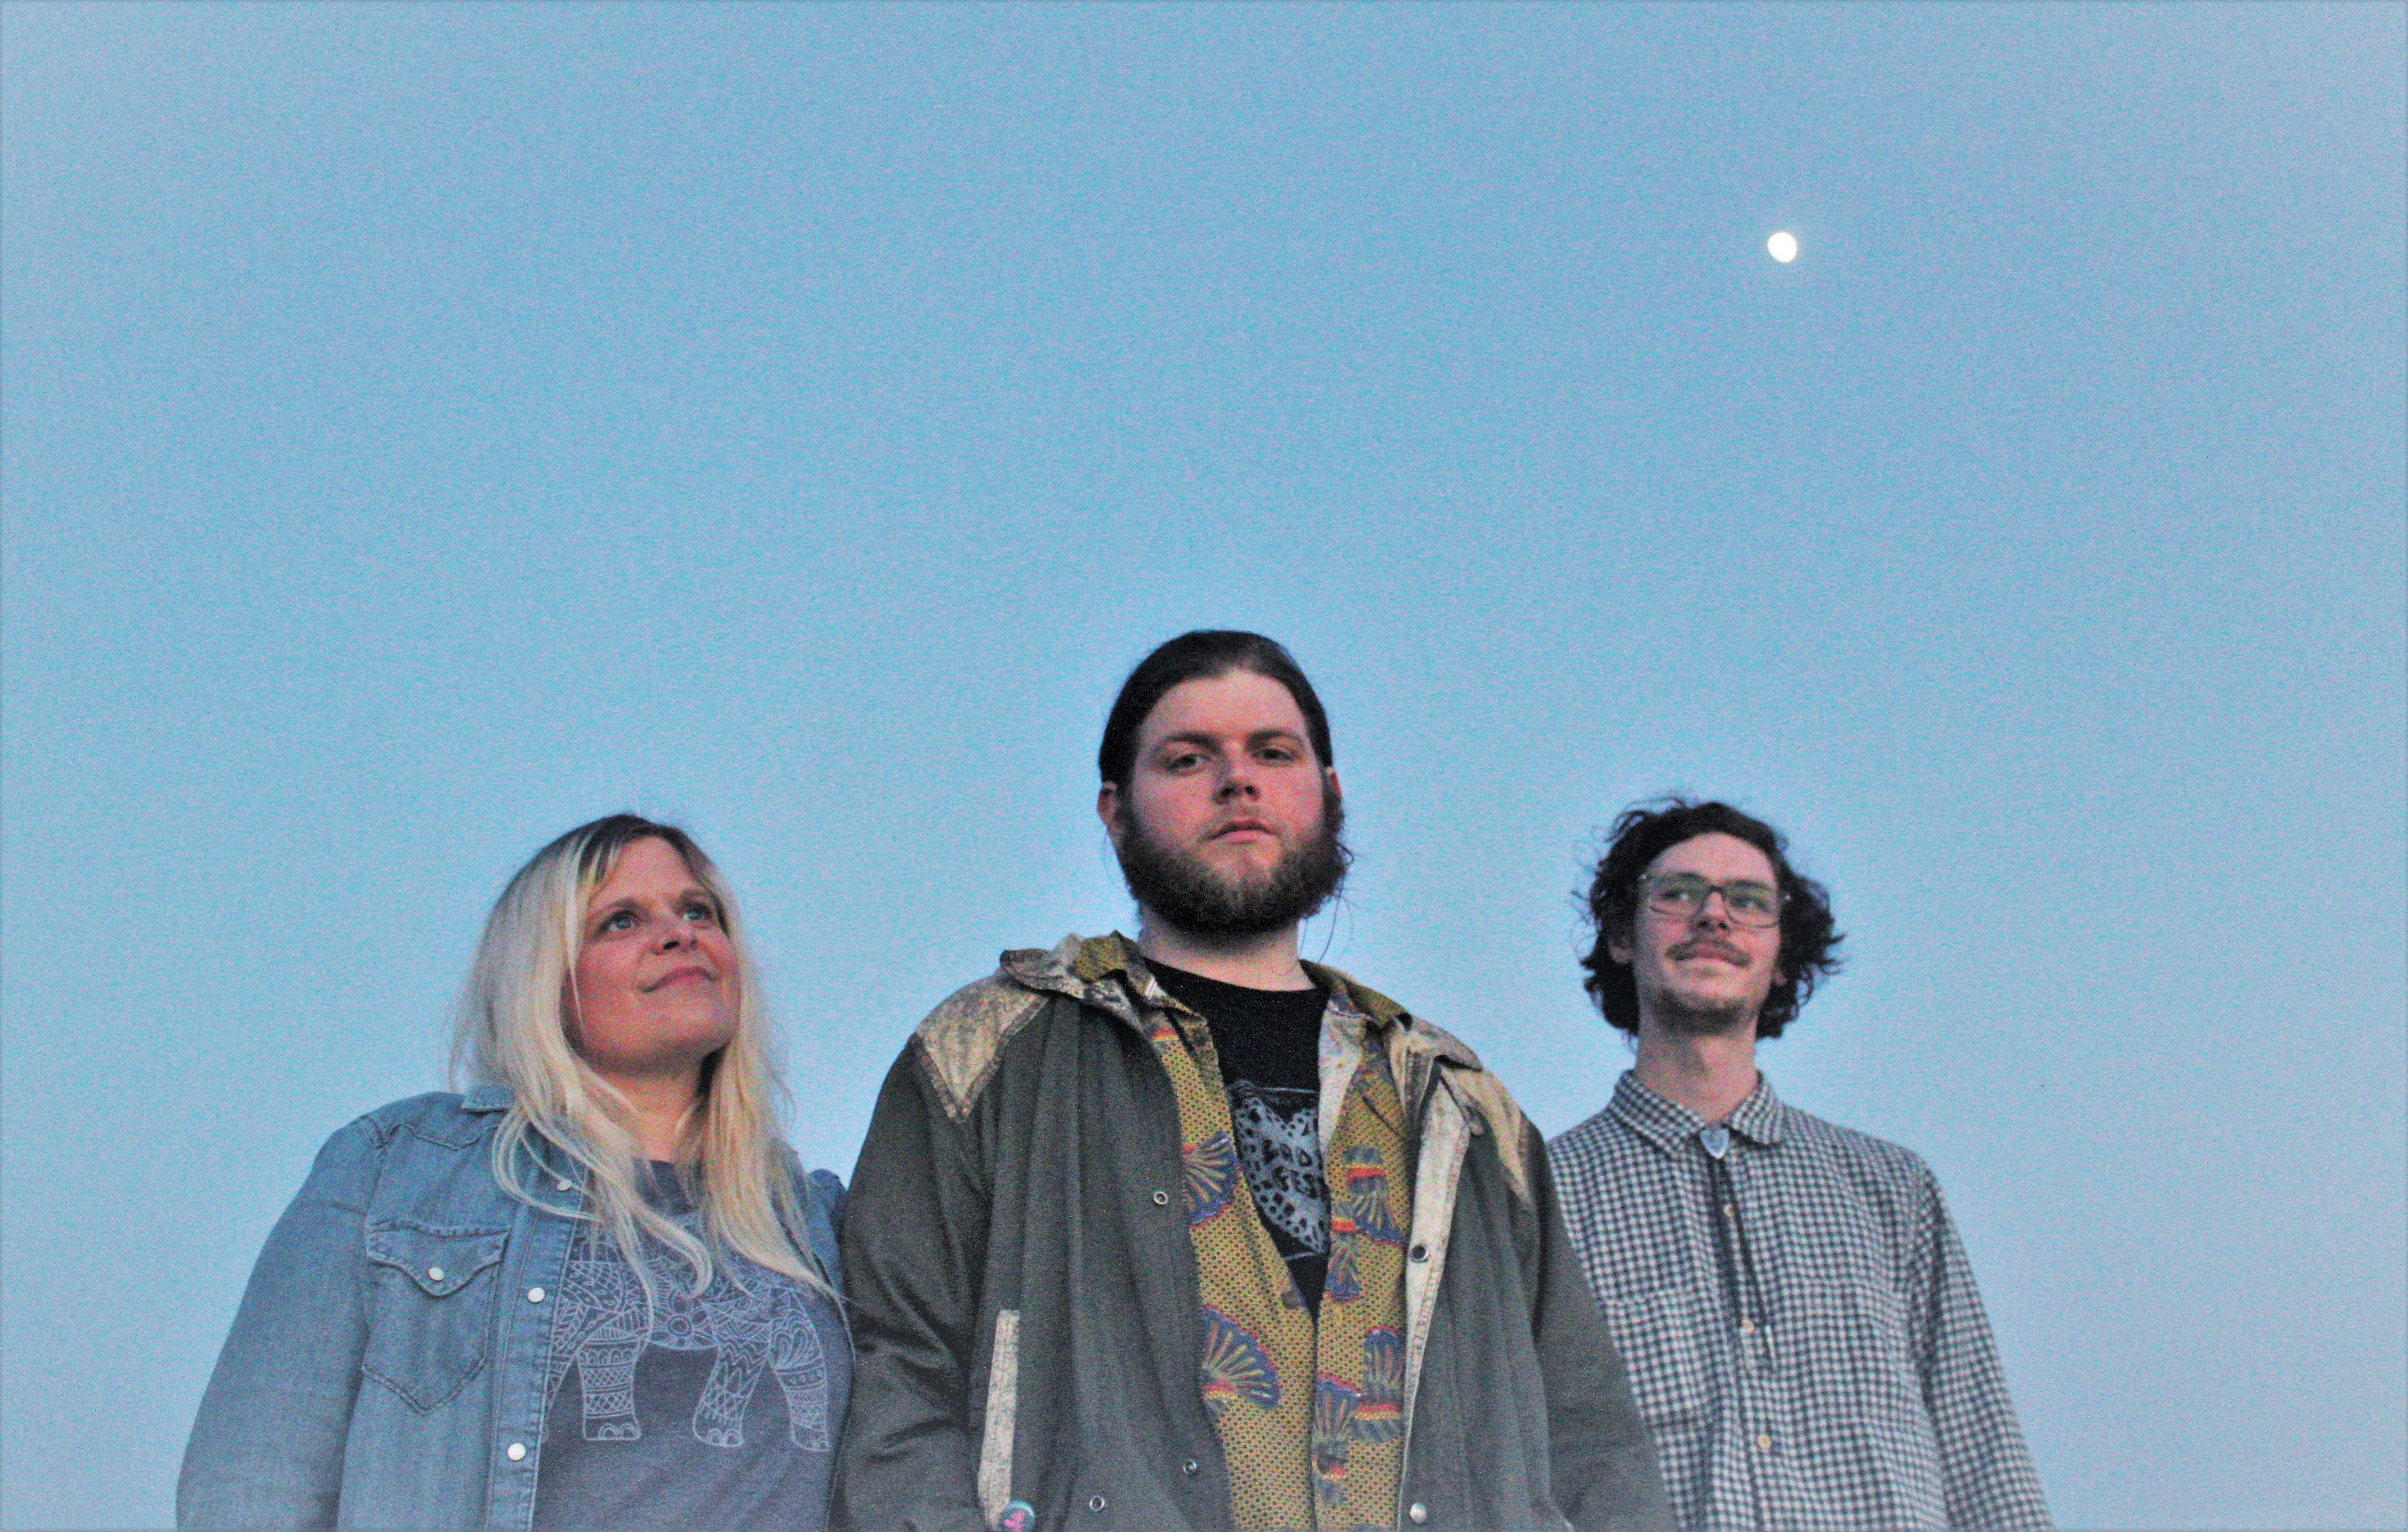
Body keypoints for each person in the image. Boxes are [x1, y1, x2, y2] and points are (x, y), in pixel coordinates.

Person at [834, 631, 1669, 1532]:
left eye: (1273, 752)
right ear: (1115, 811)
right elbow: (898, 1385)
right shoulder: (987, 1054)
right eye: (1189, 758)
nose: (1238, 780)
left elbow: (1593, 1441)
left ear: (1330, 793)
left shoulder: (1459, 1107)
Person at [179, 815, 849, 1531]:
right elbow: (252, 1484)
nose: (679, 933)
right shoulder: (397, 1168)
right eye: (620, 921)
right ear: (544, 981)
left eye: (698, 911)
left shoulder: (821, 1222)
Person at [1548, 799, 2050, 1532]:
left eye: (1749, 901)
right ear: (1624, 934)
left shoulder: (1891, 1188)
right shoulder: (1539, 1197)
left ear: (1783, 957)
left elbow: (1984, 1457)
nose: (1713, 915)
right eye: (1678, 892)